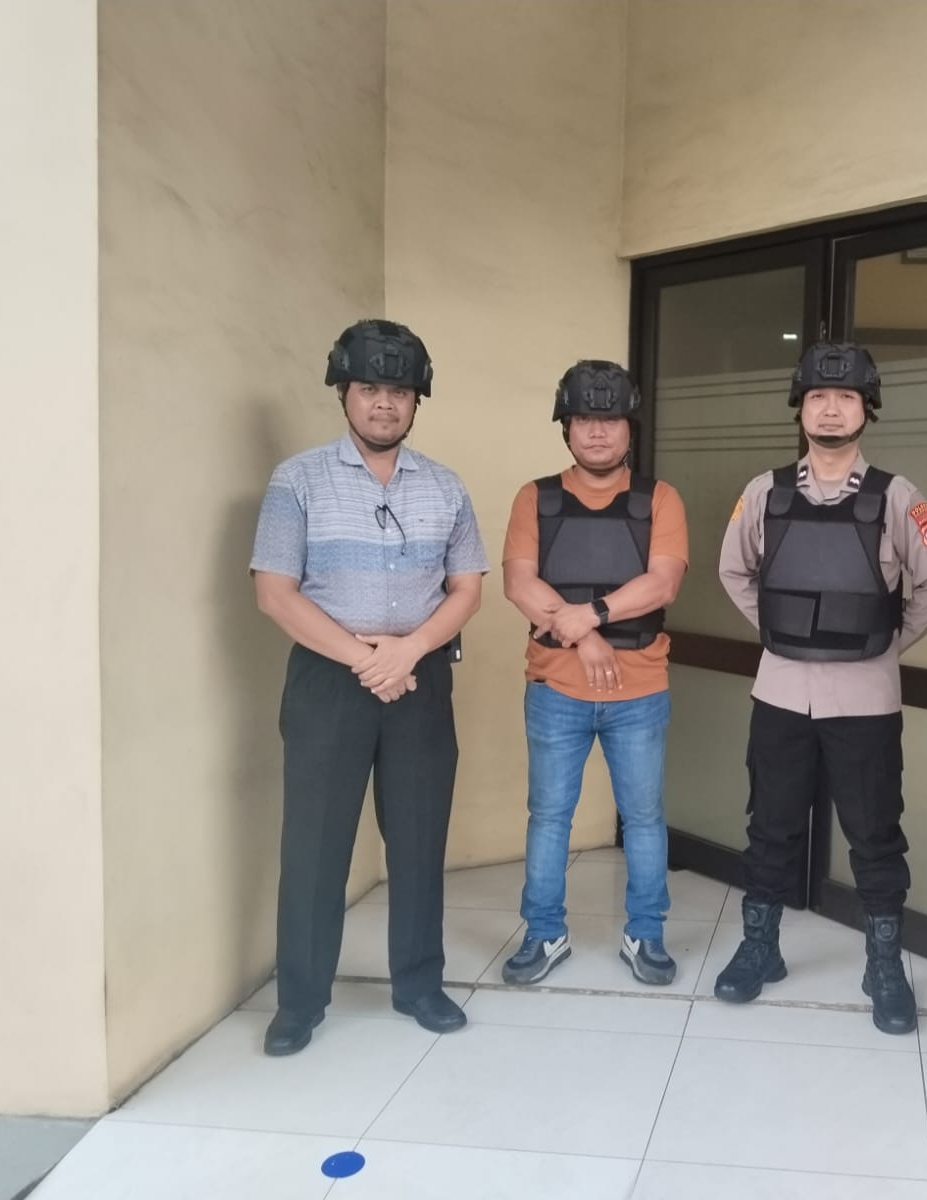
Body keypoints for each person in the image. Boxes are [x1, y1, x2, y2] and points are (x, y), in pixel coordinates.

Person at [251, 319, 487, 1056]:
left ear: (417, 401)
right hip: (329, 681)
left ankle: (419, 985)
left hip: (419, 677)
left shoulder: (445, 486)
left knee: (418, 841)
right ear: (344, 394)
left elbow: (467, 587)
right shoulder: (298, 481)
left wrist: (409, 649)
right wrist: (365, 658)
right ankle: (300, 1003)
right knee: (314, 847)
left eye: (399, 391)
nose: (384, 403)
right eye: (369, 388)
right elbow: (275, 593)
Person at [714, 340, 927, 1034]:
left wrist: (883, 645)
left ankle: (883, 966)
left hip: (866, 699)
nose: (829, 409)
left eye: (845, 397)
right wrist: (783, 632)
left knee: (875, 834)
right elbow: (733, 571)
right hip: (780, 693)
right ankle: (760, 948)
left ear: (866, 409)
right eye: (818, 396)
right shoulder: (764, 493)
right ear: (800, 407)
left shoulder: (899, 497)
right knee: (769, 827)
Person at [500, 360, 688, 986]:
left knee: (644, 819)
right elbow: (519, 583)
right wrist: (586, 640)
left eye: (610, 420)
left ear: (630, 428)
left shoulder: (659, 499)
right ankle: (543, 933)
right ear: (566, 427)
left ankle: (646, 934)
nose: (598, 432)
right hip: (555, 688)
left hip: (641, 691)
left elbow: (663, 582)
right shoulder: (536, 498)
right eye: (584, 419)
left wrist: (591, 615)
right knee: (549, 818)